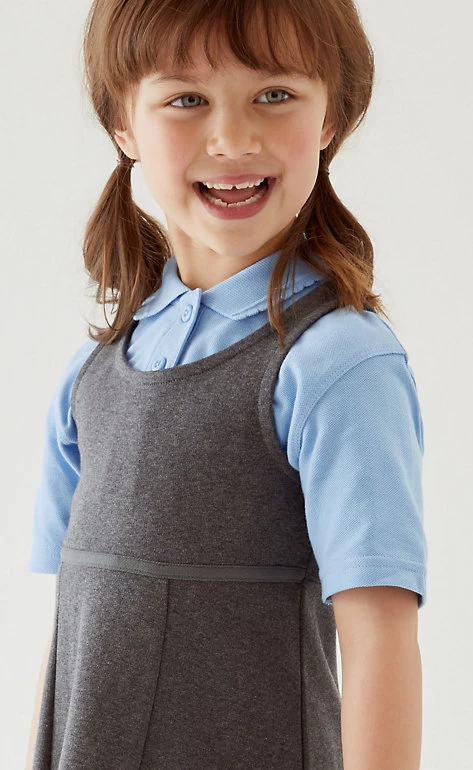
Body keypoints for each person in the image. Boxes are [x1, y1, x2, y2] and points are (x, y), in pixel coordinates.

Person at [26, 0, 428, 768]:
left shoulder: (338, 365)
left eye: (274, 94)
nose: (234, 139)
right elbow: (72, 641)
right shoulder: (90, 377)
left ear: (331, 115)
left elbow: (379, 636)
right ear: (122, 123)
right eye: (187, 99)